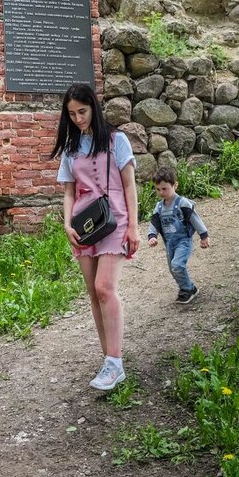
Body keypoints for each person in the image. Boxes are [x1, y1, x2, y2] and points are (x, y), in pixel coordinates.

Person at [52, 82, 139, 392]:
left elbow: (129, 185)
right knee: (93, 293)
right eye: (72, 113)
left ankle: (115, 365)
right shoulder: (72, 149)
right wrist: (66, 224)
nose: (77, 118)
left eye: (83, 111)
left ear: (94, 107)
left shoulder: (117, 141)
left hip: (114, 219)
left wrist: (134, 226)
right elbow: (68, 191)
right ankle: (108, 359)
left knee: (105, 288)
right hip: (84, 224)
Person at [146, 166, 211, 304]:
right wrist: (152, 236)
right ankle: (188, 288)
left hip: (183, 241)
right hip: (169, 243)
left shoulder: (183, 203)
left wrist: (204, 235)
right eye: (158, 189)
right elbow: (154, 223)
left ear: (175, 185)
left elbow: (195, 219)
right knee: (173, 269)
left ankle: (187, 289)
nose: (161, 192)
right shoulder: (159, 207)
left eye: (164, 188)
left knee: (177, 265)